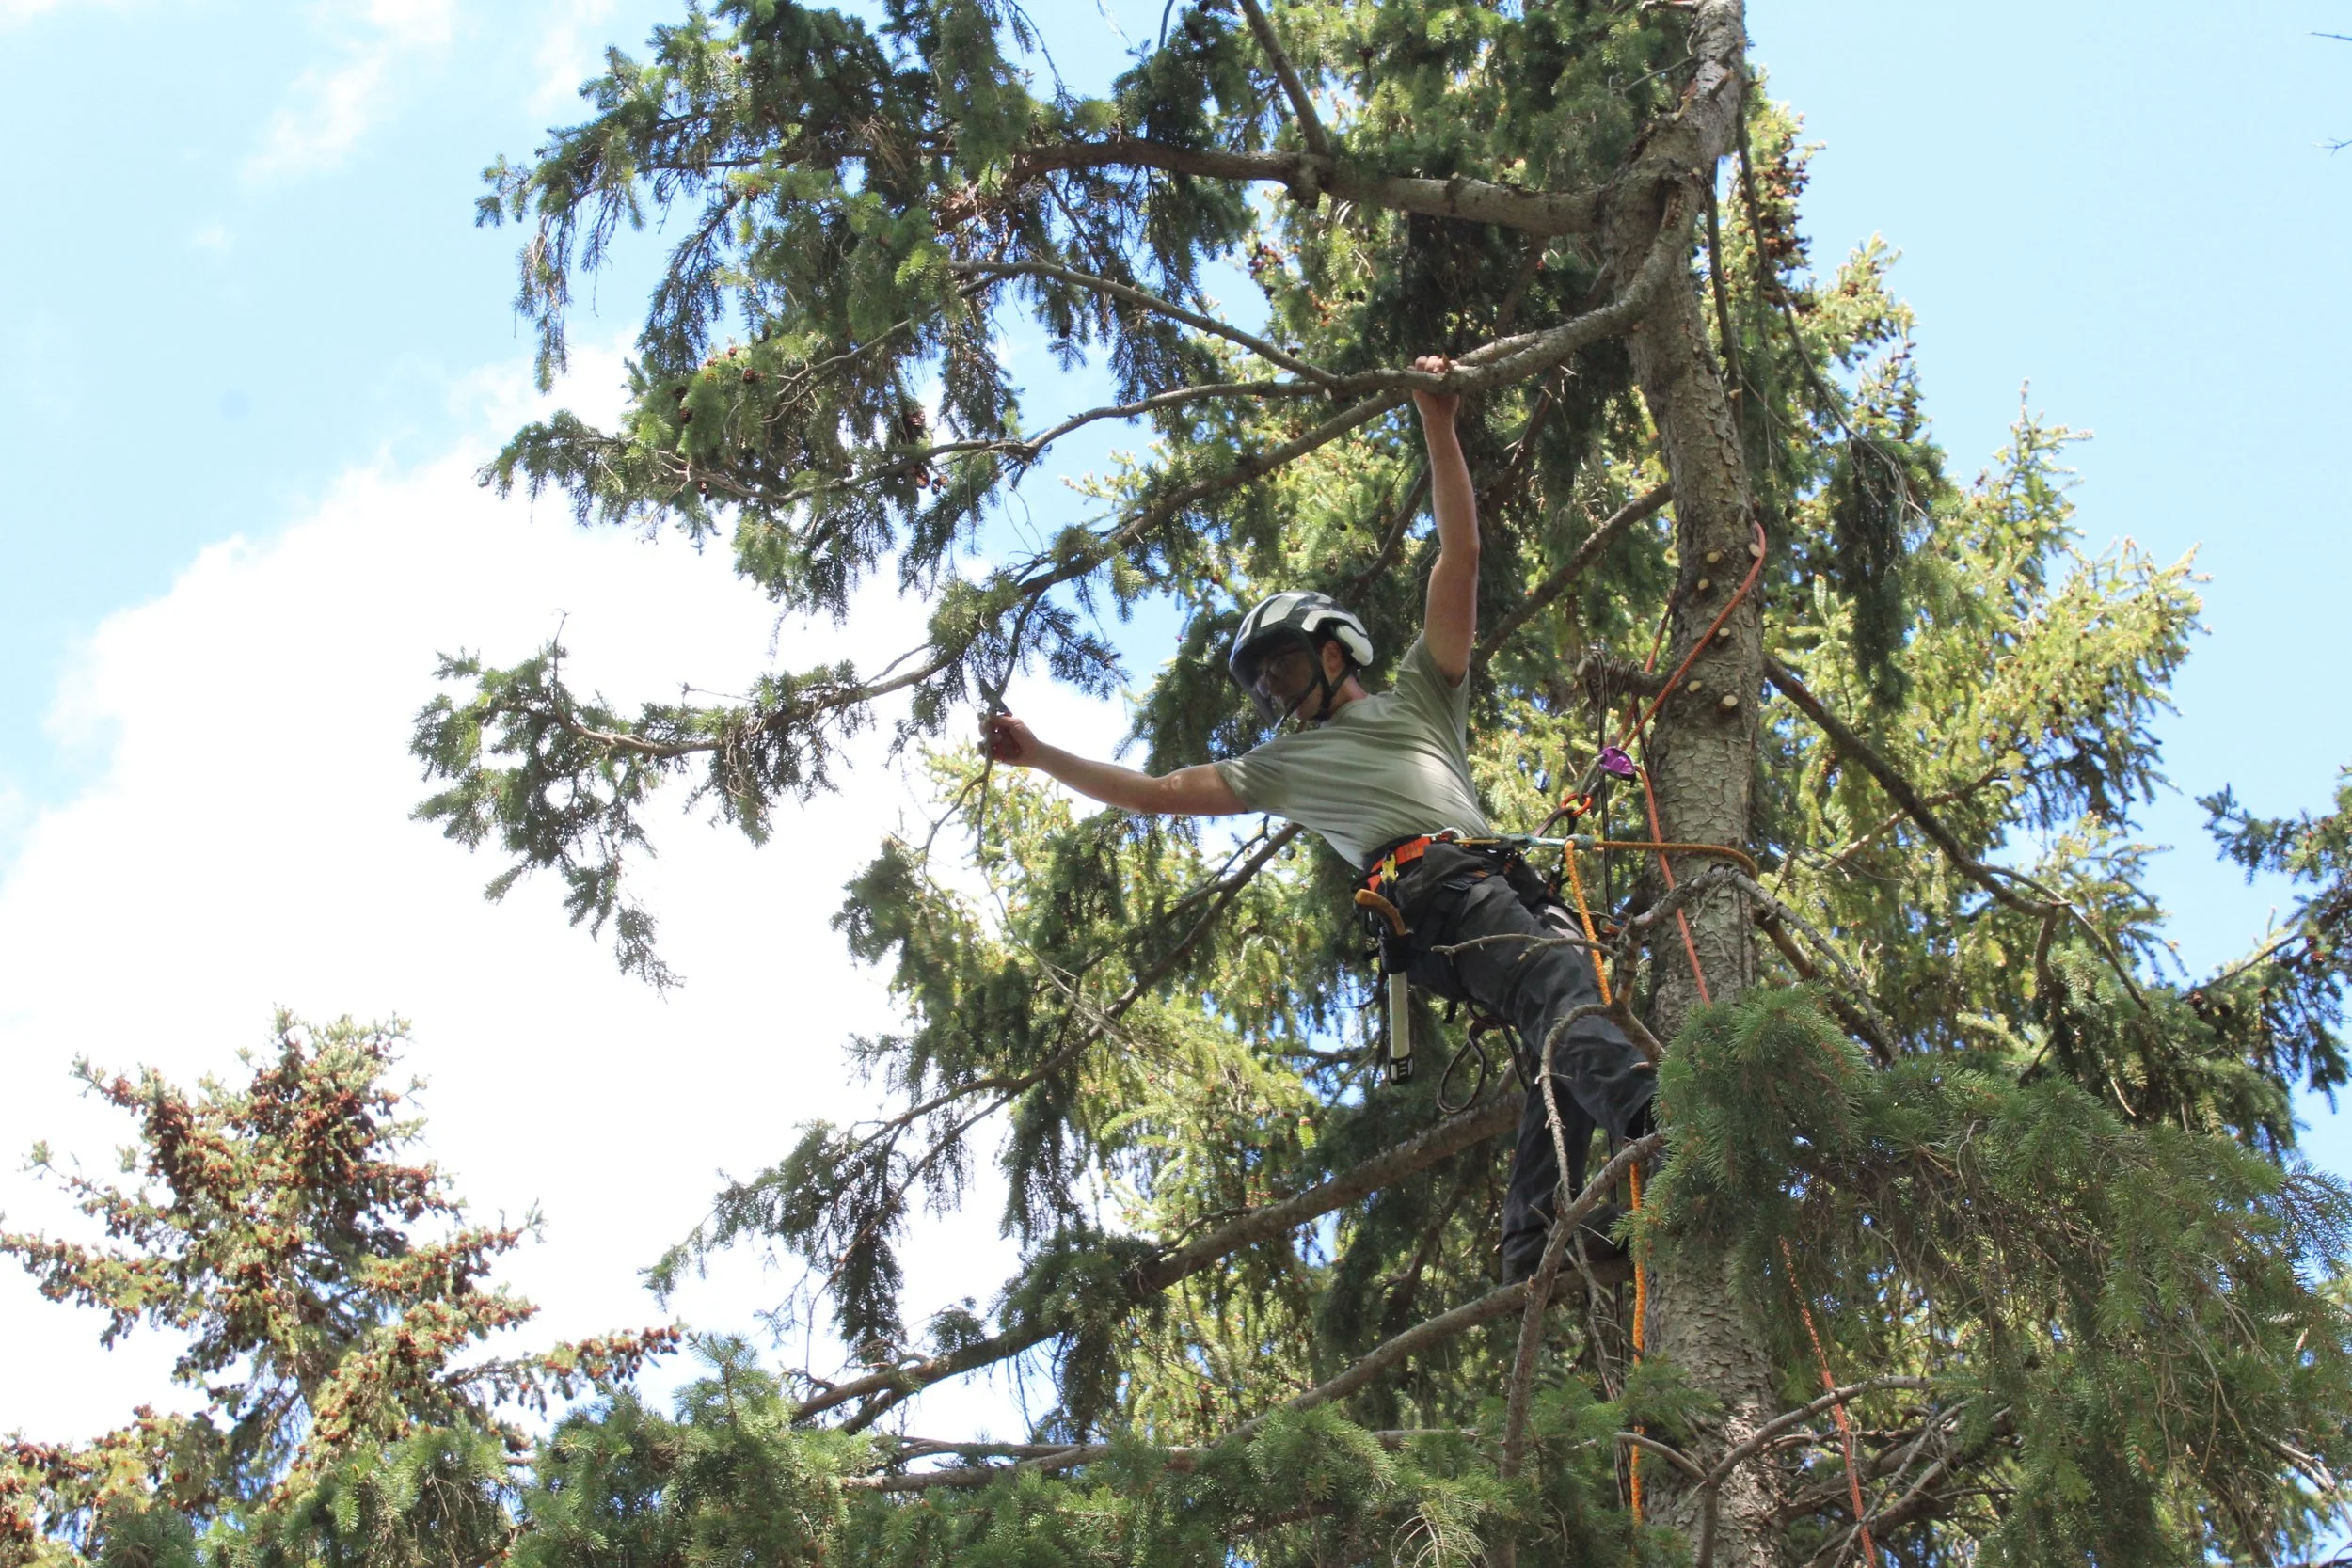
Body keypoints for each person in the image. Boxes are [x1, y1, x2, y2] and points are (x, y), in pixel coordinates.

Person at [981, 356, 1656, 1284]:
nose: (1274, 690)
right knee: (1558, 990)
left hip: (1494, 884)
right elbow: (1159, 790)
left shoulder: (1424, 694)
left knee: (1562, 1018)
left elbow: (1457, 559)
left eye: (1285, 666)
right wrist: (1042, 752)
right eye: (1263, 683)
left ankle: (1535, 1242)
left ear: (1338, 649)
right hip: (1440, 893)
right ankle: (1658, 1123)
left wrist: (1438, 420)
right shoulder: (1282, 765)